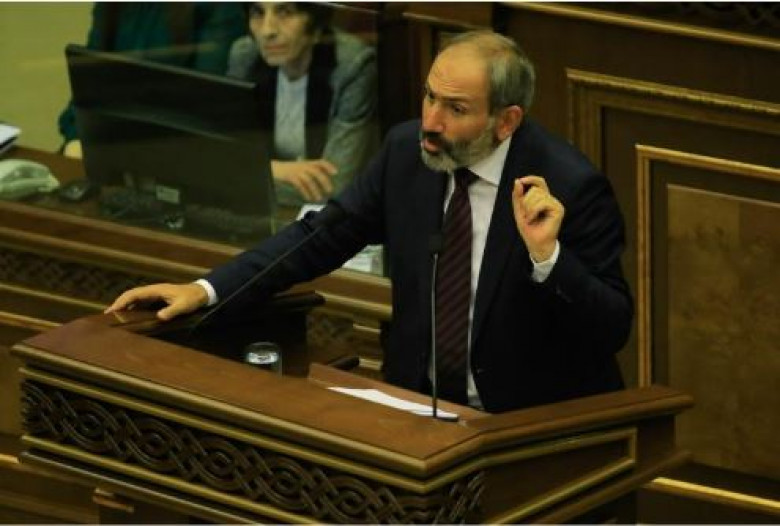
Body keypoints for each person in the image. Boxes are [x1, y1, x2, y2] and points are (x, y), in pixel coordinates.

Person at [106, 30, 633, 414]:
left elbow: (612, 327)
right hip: (414, 410)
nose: (431, 121)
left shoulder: (569, 188)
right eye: (430, 96)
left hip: (524, 426)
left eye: (455, 109)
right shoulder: (406, 154)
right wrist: (208, 289)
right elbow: (318, 237)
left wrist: (548, 258)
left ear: (506, 121)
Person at [228, 2, 378, 206]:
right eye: (258, 13)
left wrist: (249, 173)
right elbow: (223, 160)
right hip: (266, 209)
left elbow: (334, 186)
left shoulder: (352, 65)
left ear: (315, 23)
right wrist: (274, 169)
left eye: (285, 12)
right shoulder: (245, 55)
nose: (267, 31)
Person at [58, 2, 246, 158]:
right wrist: (76, 137)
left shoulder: (218, 7)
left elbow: (203, 103)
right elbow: (89, 83)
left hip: (169, 151)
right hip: (105, 139)